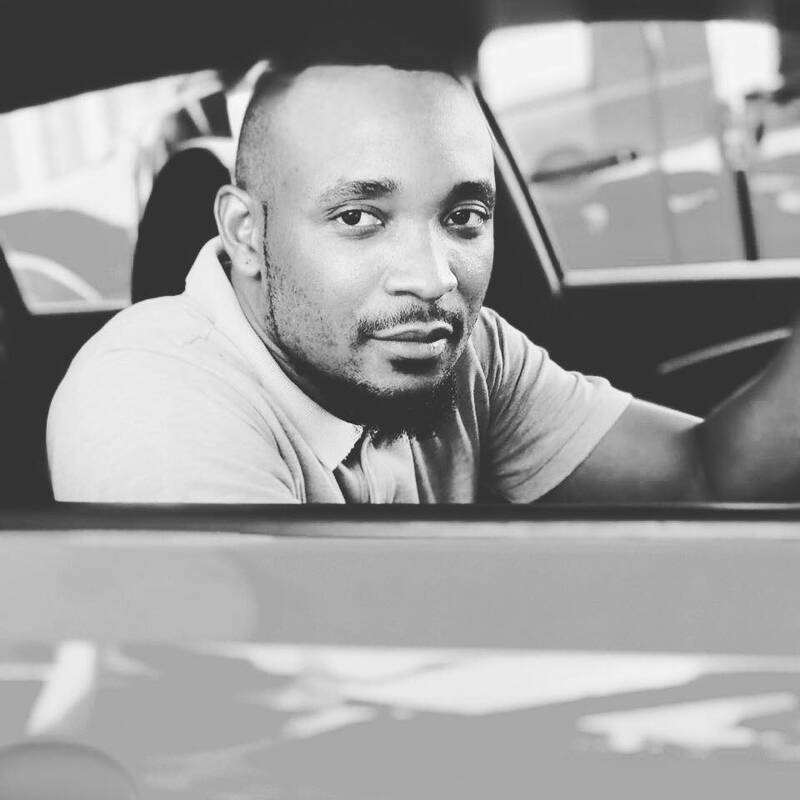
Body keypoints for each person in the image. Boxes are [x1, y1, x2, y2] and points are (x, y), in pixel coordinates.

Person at [46, 58, 800, 503]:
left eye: (464, 217)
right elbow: (274, 694)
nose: (434, 278)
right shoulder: (150, 400)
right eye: (359, 218)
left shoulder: (466, 357)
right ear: (247, 234)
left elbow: (707, 475)